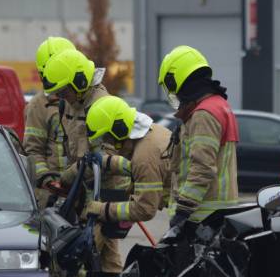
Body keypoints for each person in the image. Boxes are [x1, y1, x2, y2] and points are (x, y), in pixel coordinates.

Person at [42, 48, 126, 277]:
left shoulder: (101, 105)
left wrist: (67, 178)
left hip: (103, 199)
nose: (61, 96)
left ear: (78, 81)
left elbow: (102, 158)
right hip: (84, 196)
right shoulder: (74, 102)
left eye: (64, 89)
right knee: (96, 266)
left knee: (92, 265)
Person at [157, 45, 239, 239]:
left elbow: (202, 167)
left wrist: (182, 212)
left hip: (200, 218)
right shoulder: (218, 105)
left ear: (176, 79)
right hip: (213, 216)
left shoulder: (204, 114)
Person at [80, 95, 173, 226]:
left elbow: (145, 209)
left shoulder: (144, 157)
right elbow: (133, 166)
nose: (107, 143)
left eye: (106, 138)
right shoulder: (153, 131)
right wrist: (106, 162)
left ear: (119, 129)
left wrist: (102, 209)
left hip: (191, 215)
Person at [23, 36, 76, 206]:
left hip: (80, 189)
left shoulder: (81, 100)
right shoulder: (38, 105)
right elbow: (33, 150)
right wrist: (48, 180)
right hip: (51, 196)